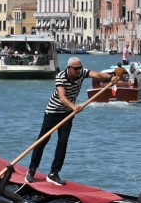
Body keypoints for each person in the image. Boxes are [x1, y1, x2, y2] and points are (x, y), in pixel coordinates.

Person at [27, 56, 125, 185]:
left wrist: (111, 78)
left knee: (63, 142)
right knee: (42, 140)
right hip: (53, 112)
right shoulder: (60, 77)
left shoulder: (82, 73)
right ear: (69, 68)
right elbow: (62, 97)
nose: (79, 70)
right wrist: (74, 106)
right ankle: (32, 169)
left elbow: (97, 74)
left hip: (68, 113)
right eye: (76, 68)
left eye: (80, 67)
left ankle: (53, 173)